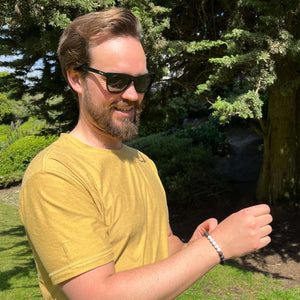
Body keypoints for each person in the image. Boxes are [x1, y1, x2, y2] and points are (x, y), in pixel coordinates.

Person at [19, 7, 272, 300]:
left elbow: (162, 245)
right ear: (76, 79)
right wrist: (215, 247)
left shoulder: (142, 163)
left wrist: (192, 246)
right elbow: (97, 295)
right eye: (116, 80)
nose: (132, 95)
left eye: (140, 82)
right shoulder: (56, 174)